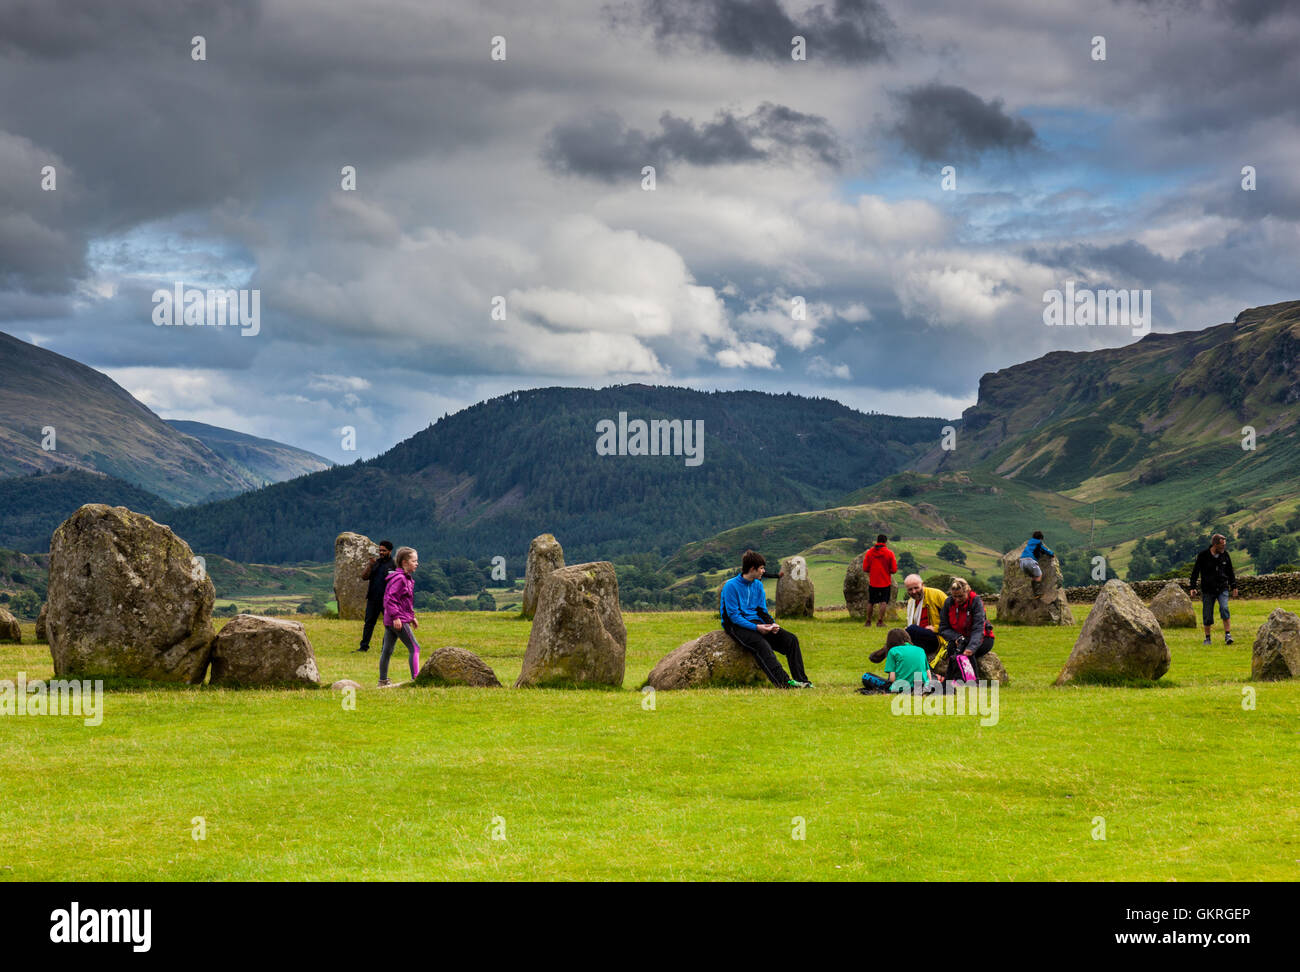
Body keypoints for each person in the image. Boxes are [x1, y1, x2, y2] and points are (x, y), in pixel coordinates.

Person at [719, 550, 811, 689]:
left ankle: (802, 681)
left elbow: (762, 610)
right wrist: (757, 628)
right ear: (752, 569)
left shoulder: (758, 585)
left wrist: (772, 624)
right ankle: (784, 683)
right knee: (761, 645)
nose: (764, 571)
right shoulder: (731, 586)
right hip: (735, 625)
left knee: (791, 640)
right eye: (761, 568)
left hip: (756, 622)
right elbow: (733, 616)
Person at [378, 546, 421, 687]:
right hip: (397, 621)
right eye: (414, 561)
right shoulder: (400, 579)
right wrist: (397, 617)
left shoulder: (406, 579)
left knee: (387, 650)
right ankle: (416, 679)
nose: (417, 563)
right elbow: (390, 599)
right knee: (415, 647)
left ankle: (382, 681)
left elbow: (405, 602)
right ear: (404, 562)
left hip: (392, 620)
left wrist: (412, 616)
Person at [938, 577, 994, 683]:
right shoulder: (948, 603)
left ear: (967, 591)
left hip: (983, 639)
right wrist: (957, 637)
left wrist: (971, 648)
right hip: (960, 638)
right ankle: (952, 681)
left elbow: (979, 628)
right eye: (955, 596)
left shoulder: (976, 601)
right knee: (951, 648)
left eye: (961, 596)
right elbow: (943, 628)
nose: (958, 599)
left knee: (966, 652)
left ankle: (971, 680)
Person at [1189, 533, 1237, 645]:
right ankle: (1207, 638)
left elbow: (1230, 571)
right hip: (1207, 589)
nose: (1224, 547)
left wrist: (1234, 586)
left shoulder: (1225, 555)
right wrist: (1192, 587)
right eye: (1222, 545)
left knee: (1224, 608)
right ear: (1215, 544)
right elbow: (1195, 572)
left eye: (1224, 545)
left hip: (1222, 588)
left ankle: (1228, 635)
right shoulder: (1203, 556)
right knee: (1207, 613)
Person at [902, 573, 949, 675]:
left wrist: (936, 628)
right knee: (899, 636)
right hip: (921, 638)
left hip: (938, 638)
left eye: (916, 588)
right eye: (910, 589)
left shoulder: (936, 595)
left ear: (923, 584)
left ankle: (883, 653)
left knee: (911, 629)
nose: (914, 592)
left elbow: (953, 618)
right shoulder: (911, 602)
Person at [860, 628, 931, 694]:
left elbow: (892, 679)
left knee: (866, 676)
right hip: (921, 687)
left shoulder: (893, 651)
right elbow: (929, 676)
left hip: (901, 687)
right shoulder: (920, 650)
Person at [356, 540, 395, 653]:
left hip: (387, 600)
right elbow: (364, 577)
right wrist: (370, 566)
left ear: (390, 551)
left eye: (384, 550)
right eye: (380, 550)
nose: (381, 552)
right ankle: (364, 647)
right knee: (369, 623)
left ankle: (385, 648)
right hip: (373, 598)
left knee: (388, 625)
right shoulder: (375, 563)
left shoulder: (394, 565)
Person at [862, 534, 898, 628]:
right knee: (883, 602)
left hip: (873, 582)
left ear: (877, 541)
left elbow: (865, 568)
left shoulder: (870, 552)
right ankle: (880, 621)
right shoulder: (889, 553)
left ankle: (868, 621)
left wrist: (873, 570)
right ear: (885, 541)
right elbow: (894, 569)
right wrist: (887, 571)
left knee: (871, 602)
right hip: (885, 582)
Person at [1018, 531, 1055, 598]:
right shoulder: (1038, 543)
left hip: (1022, 562)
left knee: (1034, 576)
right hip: (1030, 560)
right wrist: (1052, 554)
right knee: (1039, 575)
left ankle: (1035, 593)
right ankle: (1037, 593)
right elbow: (1044, 550)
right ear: (1040, 538)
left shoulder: (1029, 543)